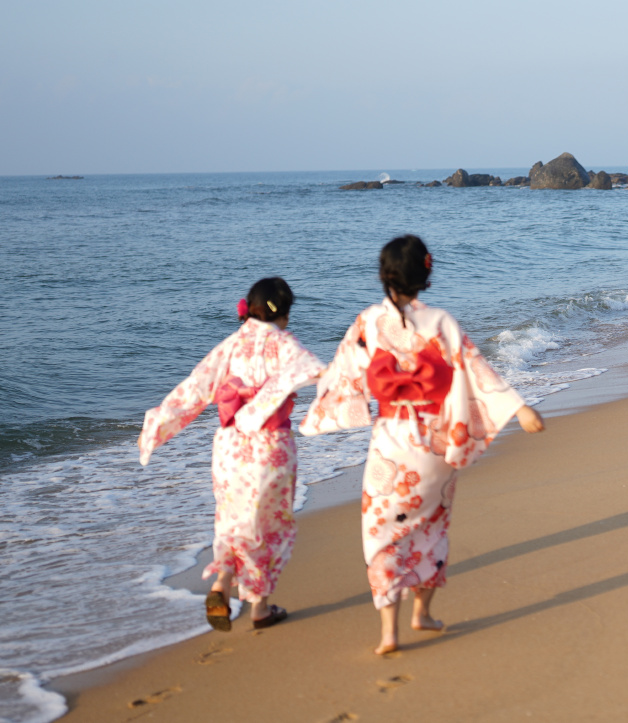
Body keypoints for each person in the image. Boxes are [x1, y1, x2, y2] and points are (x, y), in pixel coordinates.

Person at [300, 235, 545, 655]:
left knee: (382, 532)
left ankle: (388, 632)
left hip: (390, 441)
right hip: (434, 443)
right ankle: (423, 614)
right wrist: (519, 409)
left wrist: (301, 391)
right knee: (431, 526)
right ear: (425, 275)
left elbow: (342, 374)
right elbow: (475, 368)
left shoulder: (368, 322)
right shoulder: (440, 322)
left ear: (384, 276)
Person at [139, 277, 325, 631]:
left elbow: (194, 389)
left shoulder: (230, 345)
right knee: (267, 523)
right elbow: (312, 370)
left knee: (232, 518)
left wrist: (156, 427)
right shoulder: (283, 343)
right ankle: (259, 608)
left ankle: (222, 581)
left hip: (229, 445)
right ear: (284, 313)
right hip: (268, 445)